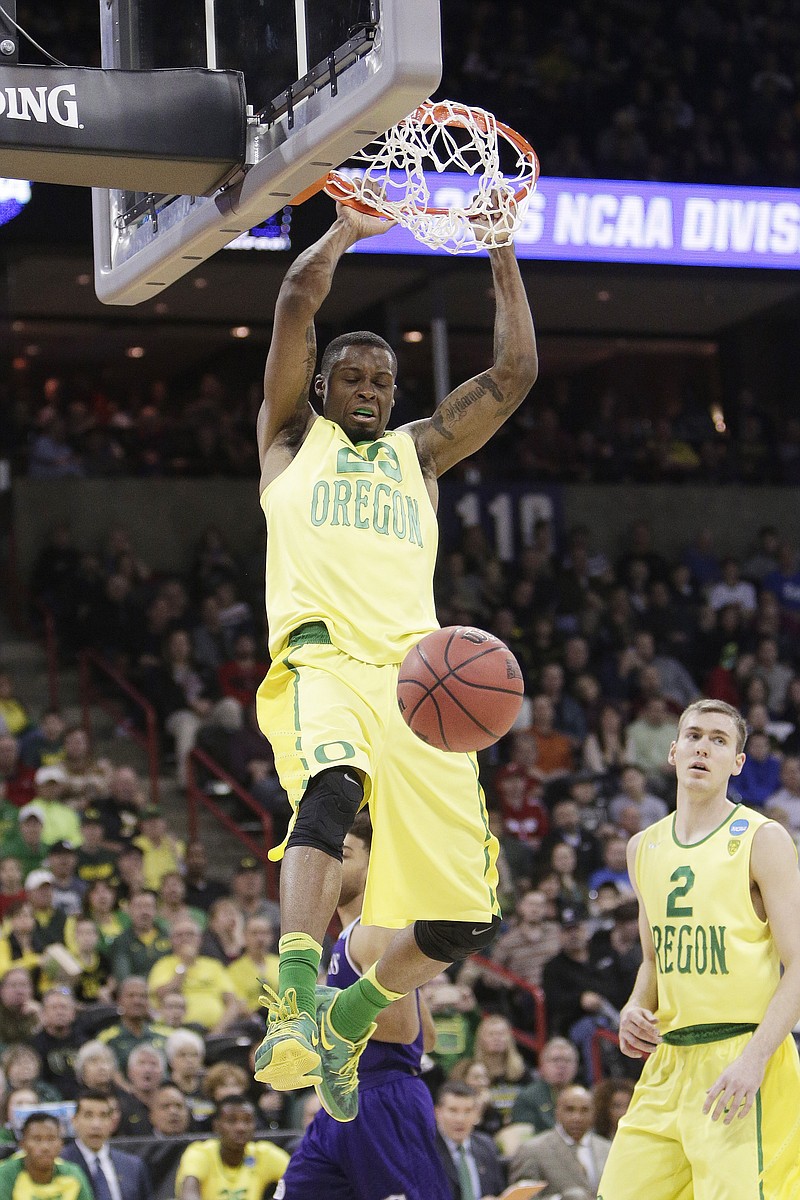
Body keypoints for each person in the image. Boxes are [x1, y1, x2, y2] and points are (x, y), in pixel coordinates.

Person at [252, 198, 537, 1122]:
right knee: (330, 789)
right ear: (325, 388)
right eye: (353, 376)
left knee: (464, 919)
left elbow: (516, 372)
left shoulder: (418, 455)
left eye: (383, 379)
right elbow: (298, 297)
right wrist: (340, 232)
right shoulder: (291, 444)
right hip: (323, 661)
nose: (371, 389)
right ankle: (293, 1000)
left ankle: (348, 1017)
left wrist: (499, 249)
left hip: (420, 686)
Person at [597, 698, 800, 1198]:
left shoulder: (763, 838)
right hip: (669, 1062)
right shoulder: (643, 846)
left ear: (737, 763)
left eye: (718, 739)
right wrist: (632, 1008)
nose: (702, 748)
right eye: (693, 736)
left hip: (741, 1057)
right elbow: (652, 960)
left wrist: (754, 1061)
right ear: (672, 752)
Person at [279, 810, 452, 1199]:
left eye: (345, 853)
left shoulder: (377, 927)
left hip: (382, 1100)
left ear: (376, 864)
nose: (331, 863)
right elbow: (428, 1036)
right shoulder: (349, 937)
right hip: (342, 1101)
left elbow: (405, 1031)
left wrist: (316, 1010)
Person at [175, 1095, 288, 1200]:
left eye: (247, 1120)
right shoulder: (199, 1152)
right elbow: (189, 1193)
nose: (241, 1128)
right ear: (217, 1126)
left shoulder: (263, 1154)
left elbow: (300, 1176)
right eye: (231, 1120)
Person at [509, 1084, 611, 1198]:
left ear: (594, 1113)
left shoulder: (608, 1149)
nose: (577, 1117)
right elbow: (522, 1197)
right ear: (557, 1112)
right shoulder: (532, 1150)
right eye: (570, 1109)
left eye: (584, 1110)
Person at [61, 1089, 151, 1200]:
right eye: (88, 1116)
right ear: (74, 1121)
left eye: (103, 1116)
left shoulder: (133, 1166)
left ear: (112, 1122)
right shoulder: (61, 1163)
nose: (96, 1124)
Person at [434, 1080, 507, 1200]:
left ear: (477, 1114)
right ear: (437, 1113)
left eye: (467, 1111)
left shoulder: (486, 1146)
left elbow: (498, 1191)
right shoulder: (426, 1151)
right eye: (453, 1111)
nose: (460, 1119)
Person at [0, 1112, 92, 1199]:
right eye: (37, 1139)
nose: (45, 1147)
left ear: (61, 1144)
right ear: (23, 1144)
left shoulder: (73, 1174)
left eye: (51, 1139)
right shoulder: (5, 1174)